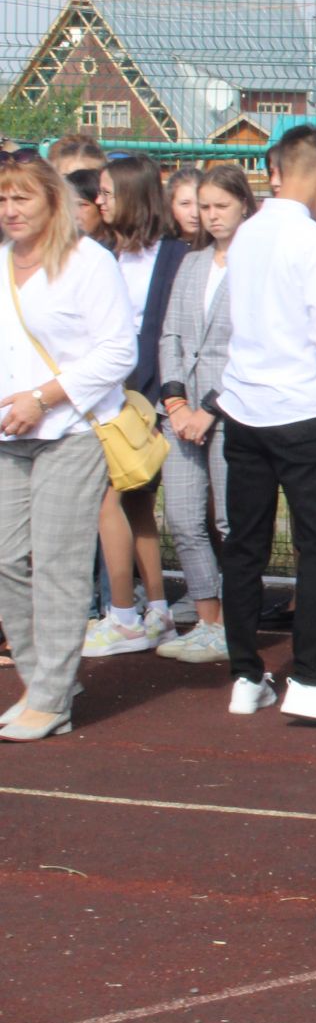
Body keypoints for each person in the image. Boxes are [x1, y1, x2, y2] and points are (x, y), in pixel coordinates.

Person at [218, 124, 316, 728]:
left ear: (277, 170)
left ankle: (244, 673)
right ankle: (308, 677)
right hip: (298, 409)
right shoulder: (313, 239)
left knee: (246, 544)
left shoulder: (248, 233)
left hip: (244, 408)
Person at [0, 157, 137, 740]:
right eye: (3, 200)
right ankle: (46, 680)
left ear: (52, 201)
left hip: (73, 431)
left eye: (22, 199)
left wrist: (42, 397)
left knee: (58, 565)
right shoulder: (3, 262)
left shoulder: (89, 263)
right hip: (10, 437)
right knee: (5, 558)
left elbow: (117, 353)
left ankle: (51, 698)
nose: (10, 211)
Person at [82, 153, 188, 657]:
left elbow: (167, 332)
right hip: (109, 400)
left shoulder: (174, 255)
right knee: (131, 501)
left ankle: (127, 615)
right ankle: (155, 611)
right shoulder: (102, 252)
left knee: (115, 502)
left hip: (151, 399)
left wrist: (161, 398)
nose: (99, 200)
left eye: (106, 192)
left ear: (133, 194)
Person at [153, 164, 257, 665]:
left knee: (228, 518)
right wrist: (175, 402)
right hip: (179, 410)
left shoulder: (256, 264)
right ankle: (206, 619)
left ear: (243, 205)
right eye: (203, 207)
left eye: (220, 206)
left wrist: (207, 411)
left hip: (229, 409)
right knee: (182, 515)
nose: (210, 216)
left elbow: (249, 344)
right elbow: (171, 334)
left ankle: (237, 624)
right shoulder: (192, 263)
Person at [166, 166, 204, 241]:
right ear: (170, 204)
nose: (195, 214)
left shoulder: (222, 247)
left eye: (201, 204)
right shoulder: (158, 246)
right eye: (185, 204)